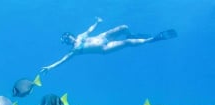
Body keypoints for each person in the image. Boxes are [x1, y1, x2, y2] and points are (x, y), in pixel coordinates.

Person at [40, 17, 177, 73]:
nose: (68, 39)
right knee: (127, 43)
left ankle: (131, 34)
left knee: (124, 27)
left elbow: (90, 30)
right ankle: (152, 39)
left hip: (103, 36)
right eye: (65, 40)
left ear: (70, 35)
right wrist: (50, 67)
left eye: (67, 36)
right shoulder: (74, 51)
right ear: (66, 43)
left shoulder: (81, 36)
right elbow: (62, 60)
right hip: (104, 48)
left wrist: (98, 23)